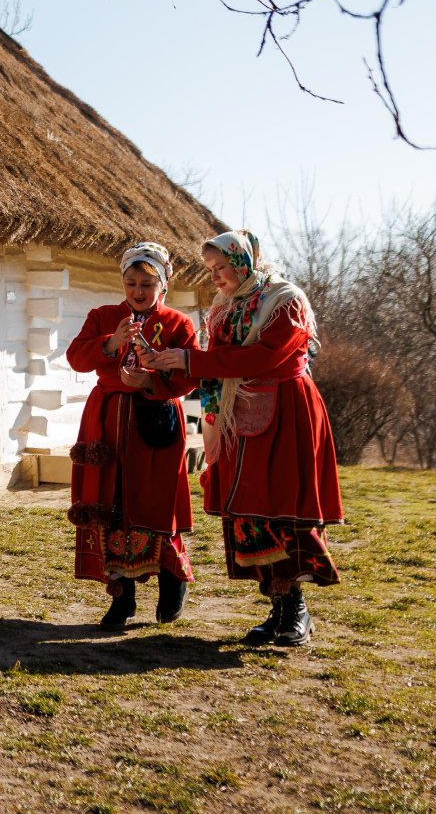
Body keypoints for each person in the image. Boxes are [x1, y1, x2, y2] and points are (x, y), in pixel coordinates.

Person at [139, 230, 343, 647]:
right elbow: (217, 364)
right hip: (239, 413)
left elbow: (265, 356)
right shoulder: (224, 307)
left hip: (286, 409)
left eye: (221, 267)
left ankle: (297, 610)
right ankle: (278, 606)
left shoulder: (284, 301)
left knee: (281, 504)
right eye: (210, 269)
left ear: (243, 261)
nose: (215, 277)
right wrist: (168, 366)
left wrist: (192, 359)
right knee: (250, 509)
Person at [64, 242, 200, 632]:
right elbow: (76, 357)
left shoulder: (178, 324)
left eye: (146, 283)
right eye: (130, 283)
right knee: (111, 502)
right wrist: (111, 343)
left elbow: (188, 378)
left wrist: (150, 381)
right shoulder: (103, 316)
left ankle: (172, 579)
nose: (138, 291)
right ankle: (121, 600)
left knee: (153, 503)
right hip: (105, 422)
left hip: (154, 421)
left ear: (163, 284)